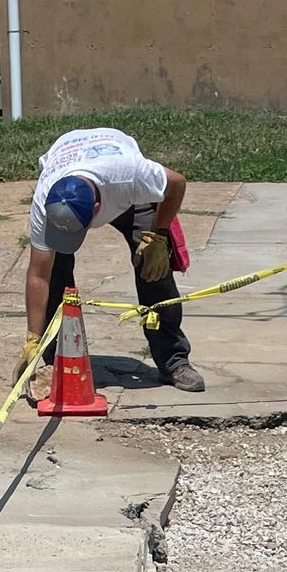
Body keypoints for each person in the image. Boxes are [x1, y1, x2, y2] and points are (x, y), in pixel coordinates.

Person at [24, 125, 203, 393]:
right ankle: (55, 361)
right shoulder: (46, 199)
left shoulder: (129, 176)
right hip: (71, 160)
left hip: (124, 195)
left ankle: (174, 361)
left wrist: (159, 235)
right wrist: (32, 339)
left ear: (97, 209)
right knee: (56, 271)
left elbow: (176, 182)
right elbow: (38, 274)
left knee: (153, 268)